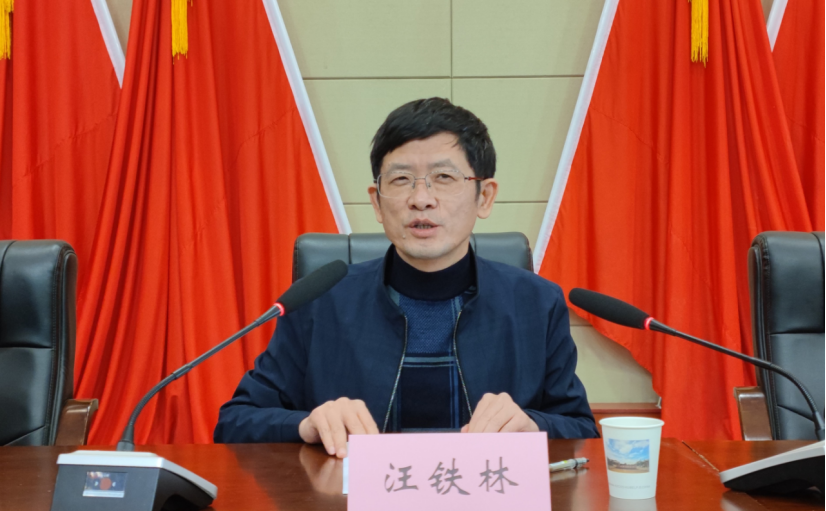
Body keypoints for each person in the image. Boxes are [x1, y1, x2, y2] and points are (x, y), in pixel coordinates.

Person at [214, 98, 599, 457]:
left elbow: (581, 429)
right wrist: (307, 425)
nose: (421, 198)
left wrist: (532, 426)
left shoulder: (537, 304)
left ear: (484, 197)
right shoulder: (318, 302)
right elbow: (235, 422)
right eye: (401, 180)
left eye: (444, 177)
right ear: (377, 202)